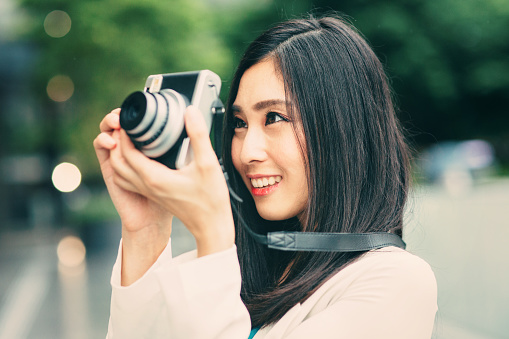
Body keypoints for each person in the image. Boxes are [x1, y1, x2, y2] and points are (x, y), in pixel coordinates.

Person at [94, 15, 437, 339]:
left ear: (342, 130)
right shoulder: (230, 269)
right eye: (240, 124)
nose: (246, 153)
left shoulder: (397, 281)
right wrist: (146, 231)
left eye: (274, 117)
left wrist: (213, 233)